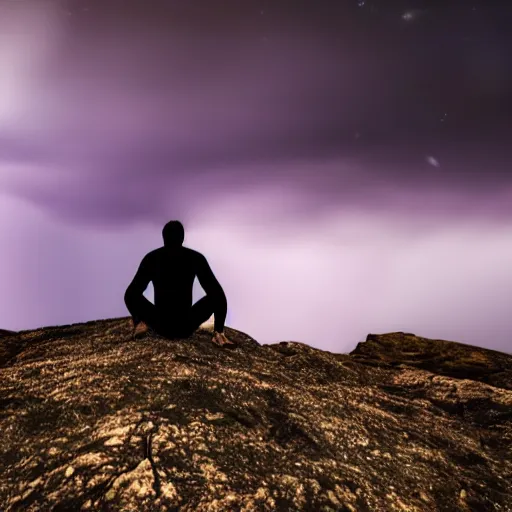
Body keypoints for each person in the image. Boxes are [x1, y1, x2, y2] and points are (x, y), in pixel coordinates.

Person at [124, 220, 235, 347]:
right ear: (182, 238)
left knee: (133, 294)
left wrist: (139, 317)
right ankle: (219, 334)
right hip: (186, 325)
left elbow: (131, 294)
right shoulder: (195, 258)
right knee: (216, 294)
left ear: (163, 237)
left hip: (160, 324)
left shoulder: (152, 258)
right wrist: (219, 326)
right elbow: (217, 294)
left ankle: (140, 323)